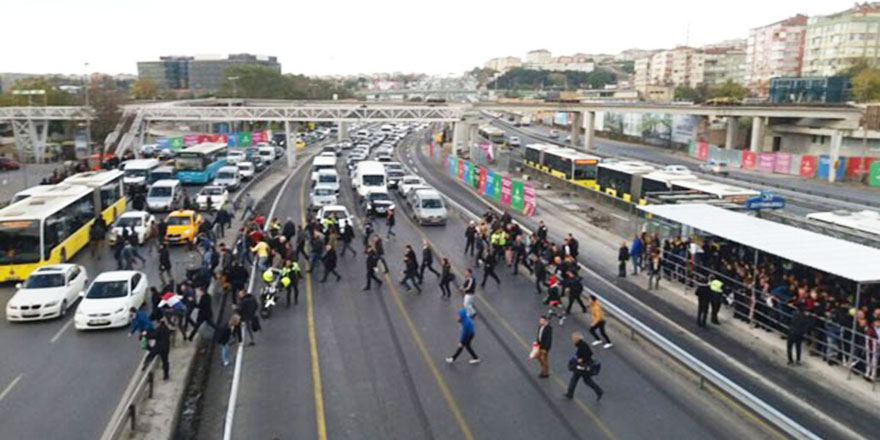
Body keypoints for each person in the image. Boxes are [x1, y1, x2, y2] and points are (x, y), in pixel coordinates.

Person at [565, 332, 603, 400]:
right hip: (583, 366)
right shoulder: (580, 345)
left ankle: (570, 393)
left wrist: (582, 359)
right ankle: (599, 391)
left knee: (576, 379)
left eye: (574, 338)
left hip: (583, 366)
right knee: (586, 380)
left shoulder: (583, 346)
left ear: (577, 339)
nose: (572, 339)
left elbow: (589, 354)